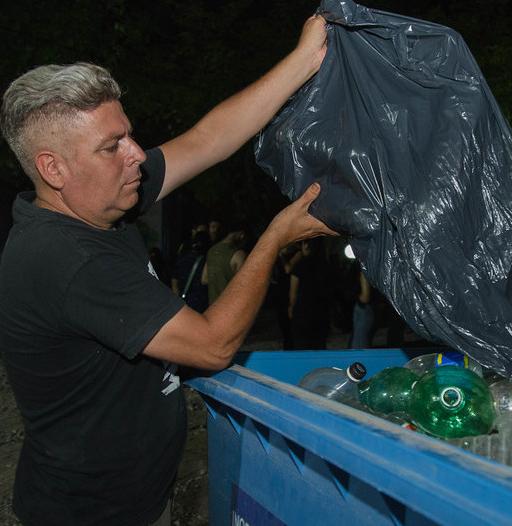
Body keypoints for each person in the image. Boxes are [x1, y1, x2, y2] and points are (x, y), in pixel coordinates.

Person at [0, 14, 335, 526]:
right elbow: (212, 344)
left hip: (137, 499)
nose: (136, 154)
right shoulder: (68, 259)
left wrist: (305, 61)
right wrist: (276, 238)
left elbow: (206, 140)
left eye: (128, 135)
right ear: (54, 169)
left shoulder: (101, 200)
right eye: (112, 146)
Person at [288, 238, 330, 349]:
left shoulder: (299, 266)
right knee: (319, 347)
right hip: (321, 312)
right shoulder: (325, 265)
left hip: (302, 313)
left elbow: (293, 292)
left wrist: (291, 307)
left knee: (302, 347)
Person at [202, 221, 248, 304]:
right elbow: (244, 287)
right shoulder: (239, 254)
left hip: (213, 307)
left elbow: (204, 280)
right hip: (231, 307)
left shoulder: (211, 251)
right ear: (241, 234)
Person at [171, 229, 210, 312]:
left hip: (182, 301)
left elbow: (174, 279)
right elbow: (204, 281)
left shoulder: (182, 257)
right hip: (198, 303)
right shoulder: (205, 260)